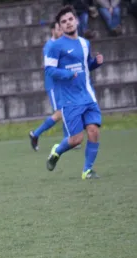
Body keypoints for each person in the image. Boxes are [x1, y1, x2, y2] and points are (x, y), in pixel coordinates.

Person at [45, 6, 104, 179]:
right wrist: (67, 74)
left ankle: (87, 170)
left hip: (88, 96)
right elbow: (49, 70)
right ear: (60, 27)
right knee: (76, 139)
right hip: (70, 100)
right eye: (64, 22)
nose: (68, 23)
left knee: (93, 130)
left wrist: (96, 63)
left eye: (70, 19)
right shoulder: (55, 47)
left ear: (76, 21)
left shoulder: (85, 43)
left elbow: (85, 67)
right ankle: (57, 150)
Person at [29, 21, 64, 151]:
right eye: (58, 29)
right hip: (53, 85)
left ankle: (70, 139)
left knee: (66, 110)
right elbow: (50, 68)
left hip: (61, 84)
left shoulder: (61, 44)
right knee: (60, 113)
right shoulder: (49, 46)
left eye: (62, 29)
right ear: (53, 31)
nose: (61, 31)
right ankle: (35, 134)